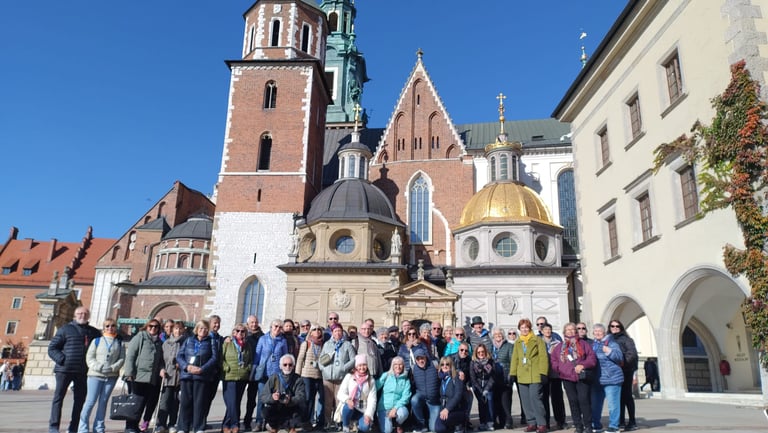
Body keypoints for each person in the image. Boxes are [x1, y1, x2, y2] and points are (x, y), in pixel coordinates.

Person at [48, 306, 102, 433]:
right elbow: (52, 348)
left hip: (83, 371)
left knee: (80, 400)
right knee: (58, 398)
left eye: (85, 313)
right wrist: (62, 359)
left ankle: (73, 427)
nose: (82, 315)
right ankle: (54, 426)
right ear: (74, 315)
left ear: (88, 316)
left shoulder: (94, 332)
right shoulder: (65, 329)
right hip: (64, 369)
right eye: (79, 313)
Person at [78, 318, 125, 433]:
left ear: (116, 327)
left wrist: (113, 367)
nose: (110, 328)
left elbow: (122, 359)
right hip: (95, 375)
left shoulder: (119, 343)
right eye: (107, 326)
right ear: (104, 328)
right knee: (90, 402)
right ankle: (82, 427)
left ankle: (99, 428)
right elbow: (89, 357)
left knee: (103, 402)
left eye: (113, 325)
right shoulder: (97, 341)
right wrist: (98, 367)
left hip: (111, 376)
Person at [550, 323, 597, 433]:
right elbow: (554, 360)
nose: (570, 332)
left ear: (576, 331)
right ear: (564, 332)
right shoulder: (559, 347)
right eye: (568, 330)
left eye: (572, 329)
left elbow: (592, 358)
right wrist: (560, 369)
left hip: (581, 377)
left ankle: (588, 426)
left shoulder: (583, 344)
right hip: (567, 377)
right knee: (573, 401)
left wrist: (583, 365)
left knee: (584, 400)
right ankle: (578, 426)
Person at [176, 319, 219, 433]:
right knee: (185, 402)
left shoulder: (211, 341)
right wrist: (187, 367)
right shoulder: (188, 340)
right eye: (201, 328)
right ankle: (183, 427)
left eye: (205, 329)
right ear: (196, 329)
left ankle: (199, 427)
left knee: (199, 403)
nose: (203, 331)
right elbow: (179, 356)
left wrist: (202, 369)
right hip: (187, 375)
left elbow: (214, 358)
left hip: (202, 376)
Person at [124, 319, 165, 433]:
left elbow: (160, 360)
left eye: (156, 327)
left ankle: (136, 425)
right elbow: (131, 355)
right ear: (146, 327)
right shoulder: (140, 337)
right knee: (135, 403)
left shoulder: (159, 342)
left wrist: (162, 369)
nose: (153, 328)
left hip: (151, 378)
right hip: (138, 377)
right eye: (150, 326)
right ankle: (130, 426)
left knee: (144, 403)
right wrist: (129, 373)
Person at [509, 318, 548, 433]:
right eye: (522, 328)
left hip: (535, 374)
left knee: (535, 398)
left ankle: (541, 423)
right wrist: (512, 373)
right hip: (522, 375)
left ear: (530, 328)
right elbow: (515, 358)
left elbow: (543, 357)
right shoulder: (518, 342)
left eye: (526, 327)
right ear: (519, 329)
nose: (524, 329)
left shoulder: (537, 340)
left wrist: (543, 372)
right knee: (525, 401)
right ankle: (531, 422)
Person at [252, 319, 289, 432]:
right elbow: (257, 357)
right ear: (271, 327)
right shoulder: (263, 339)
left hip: (276, 376)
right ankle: (259, 422)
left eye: (279, 327)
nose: (277, 329)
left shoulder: (283, 341)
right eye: (275, 326)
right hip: (264, 374)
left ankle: (272, 423)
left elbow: (285, 357)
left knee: (275, 399)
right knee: (262, 399)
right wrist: (253, 372)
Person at [318, 323, 356, 430]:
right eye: (335, 331)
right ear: (332, 333)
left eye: (339, 331)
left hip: (341, 377)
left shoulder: (347, 344)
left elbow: (353, 359)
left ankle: (338, 421)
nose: (338, 333)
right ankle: (327, 422)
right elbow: (321, 359)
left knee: (339, 401)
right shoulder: (327, 344)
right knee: (328, 402)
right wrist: (322, 368)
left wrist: (344, 367)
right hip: (328, 377)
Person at [591, 324, 624, 433]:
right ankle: (596, 425)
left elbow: (619, 357)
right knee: (596, 404)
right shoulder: (593, 345)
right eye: (595, 331)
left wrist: (609, 351)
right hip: (597, 379)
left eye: (600, 331)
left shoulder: (612, 343)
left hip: (612, 378)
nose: (597, 333)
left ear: (604, 332)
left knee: (613, 404)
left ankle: (614, 426)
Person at [260, 354, 305, 433]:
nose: (287, 367)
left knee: (301, 409)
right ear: (280, 366)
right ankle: (274, 426)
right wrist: (272, 397)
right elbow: (263, 396)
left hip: (290, 406)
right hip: (277, 406)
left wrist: (290, 400)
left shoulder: (298, 379)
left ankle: (291, 427)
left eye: (290, 365)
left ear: (293, 366)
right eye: (285, 365)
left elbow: (301, 396)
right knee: (265, 411)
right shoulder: (274, 378)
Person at [221, 323, 253, 433]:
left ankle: (226, 424)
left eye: (243, 331)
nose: (240, 333)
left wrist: (247, 368)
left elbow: (250, 360)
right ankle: (234, 424)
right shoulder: (227, 343)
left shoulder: (247, 345)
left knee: (236, 402)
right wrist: (226, 367)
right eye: (238, 331)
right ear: (234, 332)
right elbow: (221, 358)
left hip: (242, 377)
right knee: (232, 402)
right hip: (229, 376)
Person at [609, 320, 638, 431]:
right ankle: (620, 420)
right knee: (617, 397)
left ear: (621, 327)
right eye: (612, 326)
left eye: (617, 326)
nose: (615, 328)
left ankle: (632, 421)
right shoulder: (608, 339)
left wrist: (622, 364)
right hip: (613, 372)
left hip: (625, 371)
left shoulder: (627, 340)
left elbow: (631, 354)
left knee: (627, 396)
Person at [158, 321, 186, 433]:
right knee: (164, 402)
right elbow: (160, 360)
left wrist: (182, 364)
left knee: (175, 402)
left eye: (179, 329)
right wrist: (161, 369)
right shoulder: (166, 343)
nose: (177, 331)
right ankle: (161, 424)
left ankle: (172, 423)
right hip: (168, 376)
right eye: (175, 329)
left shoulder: (185, 342)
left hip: (179, 377)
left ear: (183, 330)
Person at [337, 354, 377, 433]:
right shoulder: (349, 377)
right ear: (356, 366)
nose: (362, 368)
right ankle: (346, 426)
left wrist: (368, 414)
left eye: (364, 365)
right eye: (360, 365)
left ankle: (358, 425)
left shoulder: (371, 379)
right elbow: (340, 393)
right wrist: (347, 399)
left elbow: (372, 400)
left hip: (362, 408)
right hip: (351, 406)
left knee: (365, 427)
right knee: (348, 407)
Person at [295, 324, 324, 429]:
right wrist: (297, 375)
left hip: (319, 375)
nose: (317, 331)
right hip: (306, 375)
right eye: (314, 329)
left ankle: (311, 421)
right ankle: (304, 420)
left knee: (314, 399)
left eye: (319, 329)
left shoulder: (322, 345)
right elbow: (300, 359)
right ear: (310, 332)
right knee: (307, 398)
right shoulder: (306, 344)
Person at [375, 356, 411, 433]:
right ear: (392, 366)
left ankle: (398, 424)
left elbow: (406, 397)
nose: (398, 366)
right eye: (395, 364)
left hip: (397, 407)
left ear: (403, 366)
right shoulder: (386, 375)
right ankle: (384, 421)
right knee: (387, 431)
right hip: (384, 407)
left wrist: (395, 408)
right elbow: (376, 386)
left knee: (404, 413)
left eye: (400, 364)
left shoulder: (406, 380)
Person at [540, 323, 566, 430]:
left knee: (557, 399)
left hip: (555, 374)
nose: (547, 331)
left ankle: (560, 421)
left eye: (549, 329)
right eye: (545, 329)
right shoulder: (538, 342)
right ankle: (545, 422)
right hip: (543, 374)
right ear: (541, 331)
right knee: (544, 399)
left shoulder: (557, 342)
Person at [409, 348, 440, 433]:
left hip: (434, 400)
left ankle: (430, 421)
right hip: (421, 397)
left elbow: (448, 369)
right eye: (418, 359)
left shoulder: (435, 365)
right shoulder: (413, 369)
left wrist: (459, 371)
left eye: (422, 358)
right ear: (415, 360)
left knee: (434, 428)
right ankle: (421, 424)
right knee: (414, 400)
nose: (420, 361)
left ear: (426, 357)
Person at [433, 356, 467, 433]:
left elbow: (458, 396)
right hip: (445, 409)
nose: (444, 366)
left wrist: (447, 409)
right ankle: (452, 427)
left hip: (457, 409)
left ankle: (459, 425)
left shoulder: (456, 377)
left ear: (451, 365)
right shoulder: (441, 378)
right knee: (438, 428)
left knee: (442, 423)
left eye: (447, 364)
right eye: (442, 364)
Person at [244, 315, 265, 432]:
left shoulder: (263, 336)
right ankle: (247, 421)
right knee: (250, 399)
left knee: (260, 398)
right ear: (248, 324)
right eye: (252, 322)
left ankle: (259, 421)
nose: (254, 324)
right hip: (247, 371)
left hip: (259, 371)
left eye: (256, 322)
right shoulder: (245, 335)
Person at [490, 327, 514, 429]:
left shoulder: (509, 346)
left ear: (503, 335)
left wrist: (511, 375)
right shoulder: (491, 347)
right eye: (495, 334)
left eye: (499, 334)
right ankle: (496, 421)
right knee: (496, 400)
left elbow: (513, 361)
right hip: (494, 376)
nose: (498, 336)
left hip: (505, 376)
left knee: (505, 400)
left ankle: (507, 421)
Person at [469, 344, 496, 431]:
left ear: (485, 352)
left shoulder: (490, 362)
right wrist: (480, 390)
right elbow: (473, 378)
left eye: (482, 352)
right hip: (478, 386)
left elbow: (493, 377)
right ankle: (482, 422)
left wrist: (487, 389)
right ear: (476, 353)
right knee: (481, 403)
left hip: (488, 385)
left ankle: (490, 422)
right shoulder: (473, 363)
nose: (481, 353)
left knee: (489, 402)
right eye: (479, 352)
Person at [450, 341, 474, 430]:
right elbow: (447, 371)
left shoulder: (469, 360)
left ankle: (466, 420)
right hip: (452, 385)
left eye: (466, 351)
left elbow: (471, 375)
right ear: (458, 350)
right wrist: (457, 371)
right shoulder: (451, 358)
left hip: (463, 385)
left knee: (469, 397)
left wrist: (468, 385)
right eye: (462, 350)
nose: (464, 352)